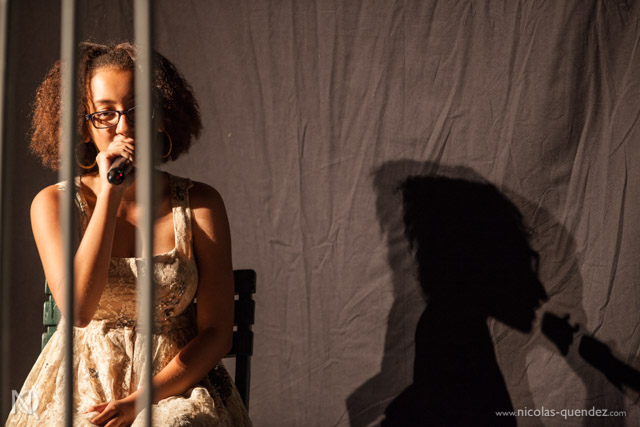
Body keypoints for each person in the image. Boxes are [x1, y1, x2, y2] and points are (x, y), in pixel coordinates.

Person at [5, 42, 252, 426]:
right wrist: (110, 192)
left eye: (137, 110)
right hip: (80, 385)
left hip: (176, 386)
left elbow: (218, 333)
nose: (123, 126)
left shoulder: (201, 204)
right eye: (105, 113)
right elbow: (79, 310)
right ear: (84, 127)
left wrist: (139, 401)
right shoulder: (52, 204)